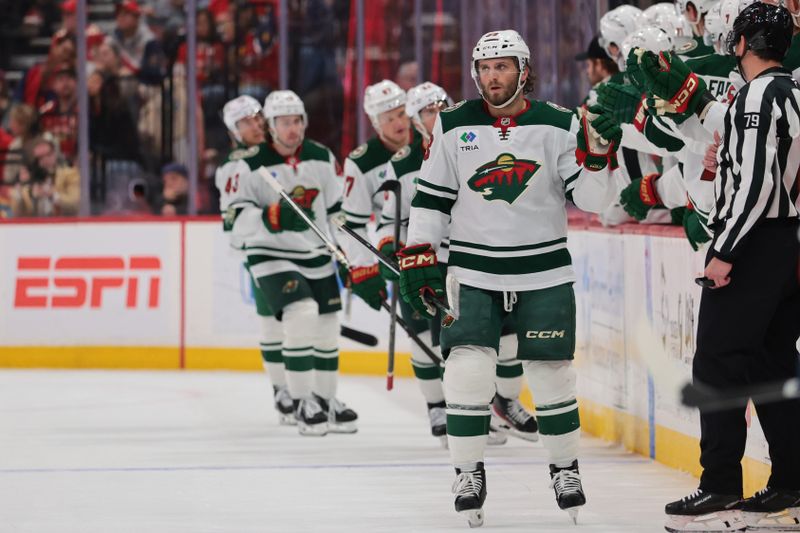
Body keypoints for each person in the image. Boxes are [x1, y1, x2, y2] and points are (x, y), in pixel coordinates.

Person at [398, 29, 622, 527]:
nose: (491, 76)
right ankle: (467, 470)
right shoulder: (453, 124)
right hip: (473, 269)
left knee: (550, 372)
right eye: (484, 67)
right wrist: (420, 257)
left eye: (502, 66)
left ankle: (565, 467)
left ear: (523, 70)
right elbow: (431, 200)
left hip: (544, 271)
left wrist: (600, 154)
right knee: (467, 370)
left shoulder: (560, 123)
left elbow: (591, 199)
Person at [659, 4, 800, 532]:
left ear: (745, 41)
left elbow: (755, 187)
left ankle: (719, 484)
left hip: (753, 246)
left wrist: (725, 252)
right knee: (772, 364)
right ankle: (791, 479)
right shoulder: (789, 92)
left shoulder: (759, 96)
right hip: (784, 244)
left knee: (717, 365)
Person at [377, 81, 539, 446]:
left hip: (483, 256)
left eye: (440, 107)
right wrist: (389, 243)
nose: (435, 116)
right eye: (427, 112)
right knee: (452, 347)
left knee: (509, 339)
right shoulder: (404, 164)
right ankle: (453, 409)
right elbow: (391, 218)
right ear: (416, 121)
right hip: (437, 265)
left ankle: (505, 401)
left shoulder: (477, 141)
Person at [231, 90, 355, 437]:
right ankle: (302, 402)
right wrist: (271, 216)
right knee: (302, 313)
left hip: (315, 252)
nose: (292, 129)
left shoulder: (320, 156)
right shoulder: (251, 163)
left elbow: (337, 211)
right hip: (269, 253)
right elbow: (233, 220)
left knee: (328, 325)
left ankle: (325, 399)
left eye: (297, 120)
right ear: (271, 126)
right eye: (284, 122)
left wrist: (350, 255)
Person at [215, 95, 294, 425]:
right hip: (260, 247)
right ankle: (281, 390)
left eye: (257, 117)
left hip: (295, 245)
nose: (255, 124)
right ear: (234, 130)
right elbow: (232, 216)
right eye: (246, 122)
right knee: (272, 322)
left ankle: (302, 390)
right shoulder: (235, 166)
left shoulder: (283, 154)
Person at [339, 80, 414, 311]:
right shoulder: (362, 162)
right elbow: (353, 223)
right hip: (401, 252)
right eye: (389, 119)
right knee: (423, 336)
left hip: (446, 246)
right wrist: (363, 266)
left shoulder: (430, 142)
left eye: (401, 114)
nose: (399, 123)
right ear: (375, 123)